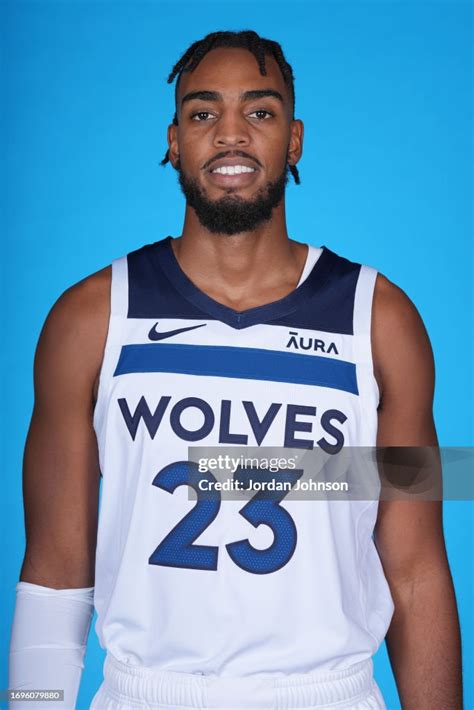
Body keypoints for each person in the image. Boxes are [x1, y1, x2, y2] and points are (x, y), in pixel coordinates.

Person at [8, 29, 462, 710]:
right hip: (148, 692)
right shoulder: (89, 319)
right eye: (202, 114)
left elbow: (417, 569)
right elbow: (52, 573)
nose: (230, 135)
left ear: (295, 139)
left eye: (259, 111)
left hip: (327, 692)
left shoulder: (383, 319)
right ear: (173, 141)